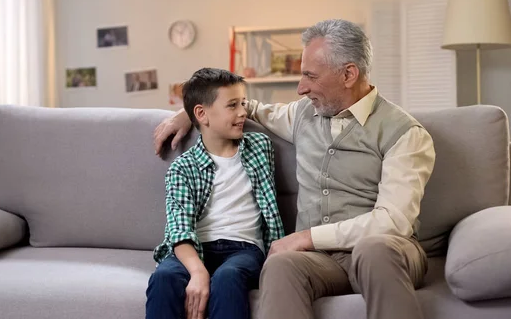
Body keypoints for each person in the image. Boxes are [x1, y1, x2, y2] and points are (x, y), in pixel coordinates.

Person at [153, 19, 436, 319]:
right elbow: (242, 108)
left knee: (373, 250)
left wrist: (305, 238)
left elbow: (393, 223)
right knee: (279, 264)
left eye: (310, 76)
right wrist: (190, 115)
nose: (301, 88)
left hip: (387, 253)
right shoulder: (304, 114)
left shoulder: (405, 133)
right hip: (322, 262)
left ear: (349, 74)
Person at [146, 68, 285, 319]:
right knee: (164, 277)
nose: (243, 112)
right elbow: (180, 230)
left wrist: (191, 114)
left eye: (243, 103)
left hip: (245, 250)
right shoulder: (182, 167)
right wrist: (198, 273)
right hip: (196, 249)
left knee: (228, 277)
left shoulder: (260, 148)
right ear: (201, 113)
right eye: (233, 106)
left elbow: (266, 112)